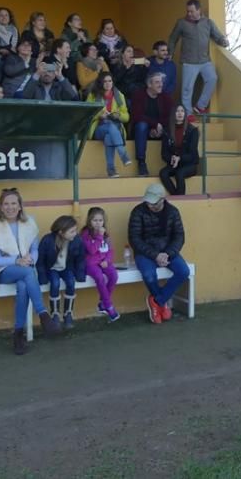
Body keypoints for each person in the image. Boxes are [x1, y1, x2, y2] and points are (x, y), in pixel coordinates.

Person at [0, 188, 61, 354]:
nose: (10, 207)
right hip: (2, 270)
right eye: (5, 204)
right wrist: (17, 260)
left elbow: (35, 249)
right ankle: (43, 315)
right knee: (27, 273)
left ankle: (18, 335)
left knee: (23, 286)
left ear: (20, 206)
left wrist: (30, 259)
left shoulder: (29, 222)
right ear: (0, 206)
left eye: (13, 203)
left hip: (25, 267)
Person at [128, 183, 190, 325]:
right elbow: (134, 239)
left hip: (168, 251)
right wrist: (155, 255)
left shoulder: (173, 212)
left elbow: (179, 236)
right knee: (149, 276)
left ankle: (157, 301)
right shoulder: (137, 212)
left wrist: (167, 254)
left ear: (163, 199)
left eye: (154, 203)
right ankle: (162, 303)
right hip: (145, 252)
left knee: (183, 271)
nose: (150, 206)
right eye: (148, 202)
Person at [167, 0, 229, 115]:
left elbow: (218, 36)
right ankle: (188, 114)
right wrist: (170, 52)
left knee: (212, 79)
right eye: (187, 11)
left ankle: (200, 106)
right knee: (187, 89)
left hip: (205, 61)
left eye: (191, 11)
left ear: (198, 10)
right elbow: (172, 38)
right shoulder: (181, 23)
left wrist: (224, 41)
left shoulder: (208, 23)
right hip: (189, 62)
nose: (189, 14)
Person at [36, 215, 86, 329]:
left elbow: (80, 259)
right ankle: (55, 314)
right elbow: (40, 260)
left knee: (70, 283)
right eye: (72, 231)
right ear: (61, 232)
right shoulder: (48, 240)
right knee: (55, 283)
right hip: (52, 268)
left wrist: (80, 274)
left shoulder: (77, 240)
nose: (75, 233)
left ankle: (68, 313)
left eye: (75, 230)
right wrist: (42, 276)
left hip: (67, 268)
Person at [86, 73, 133, 178]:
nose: (108, 84)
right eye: (105, 81)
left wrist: (118, 115)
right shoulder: (93, 95)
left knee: (109, 136)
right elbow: (87, 114)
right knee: (110, 128)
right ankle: (122, 153)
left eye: (110, 81)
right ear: (100, 83)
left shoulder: (119, 95)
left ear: (113, 82)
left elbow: (127, 117)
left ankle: (111, 170)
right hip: (98, 128)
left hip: (115, 128)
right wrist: (99, 115)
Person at [80, 207, 121, 322]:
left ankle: (102, 303)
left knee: (113, 275)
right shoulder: (85, 234)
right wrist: (99, 236)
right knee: (99, 277)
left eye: (100, 220)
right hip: (90, 264)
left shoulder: (105, 234)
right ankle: (108, 306)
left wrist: (107, 261)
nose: (98, 223)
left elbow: (110, 250)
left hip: (103, 262)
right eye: (95, 220)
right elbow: (92, 250)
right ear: (89, 221)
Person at [130, 72, 173, 176]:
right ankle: (141, 163)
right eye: (157, 82)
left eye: (161, 82)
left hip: (160, 130)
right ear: (149, 84)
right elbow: (137, 116)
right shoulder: (138, 95)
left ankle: (170, 162)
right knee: (141, 125)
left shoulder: (166, 97)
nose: (161, 85)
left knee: (172, 127)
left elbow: (171, 116)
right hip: (142, 132)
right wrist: (154, 125)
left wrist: (159, 127)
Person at [160, 105, 199, 195]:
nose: (180, 113)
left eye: (182, 111)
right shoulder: (167, 131)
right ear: (173, 114)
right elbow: (164, 153)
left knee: (180, 173)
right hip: (174, 164)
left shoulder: (193, 130)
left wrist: (180, 158)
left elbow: (192, 154)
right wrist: (172, 158)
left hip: (189, 164)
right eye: (177, 111)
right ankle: (176, 196)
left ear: (185, 114)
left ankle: (180, 199)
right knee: (163, 173)